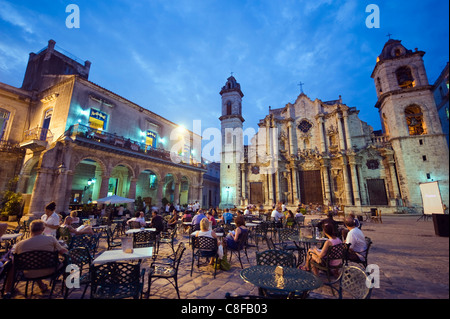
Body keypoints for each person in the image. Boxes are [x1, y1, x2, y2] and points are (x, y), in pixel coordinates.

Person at [4, 220, 68, 296]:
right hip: (50, 270)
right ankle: (67, 284)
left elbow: (16, 260)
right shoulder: (51, 239)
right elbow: (63, 252)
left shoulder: (20, 244)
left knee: (27, 263)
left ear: (30, 229)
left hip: (29, 272)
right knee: (65, 260)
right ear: (43, 229)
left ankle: (8, 290)